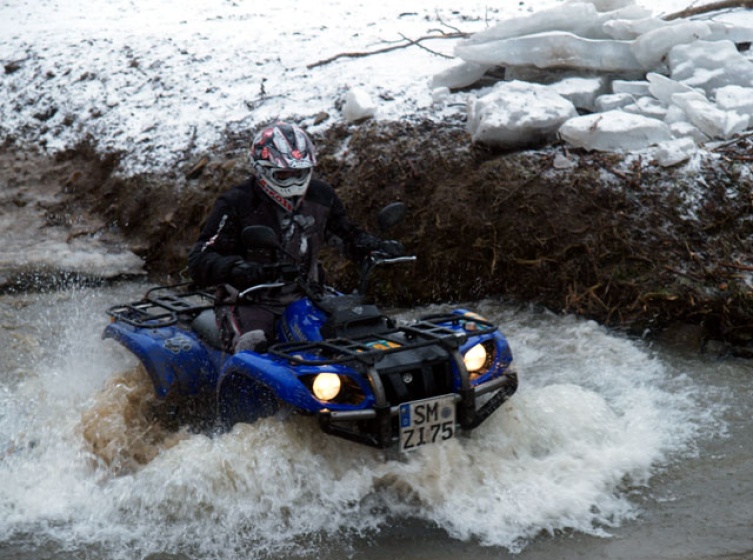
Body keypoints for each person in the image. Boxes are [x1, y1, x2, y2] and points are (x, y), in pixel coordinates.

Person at [188, 121, 404, 353]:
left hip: (311, 295)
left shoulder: (321, 196)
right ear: (261, 170)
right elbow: (199, 260)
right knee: (254, 348)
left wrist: (373, 247)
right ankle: (233, 387)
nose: (293, 181)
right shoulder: (237, 203)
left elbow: (346, 235)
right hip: (249, 302)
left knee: (368, 327)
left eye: (299, 173)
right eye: (283, 174)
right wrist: (241, 270)